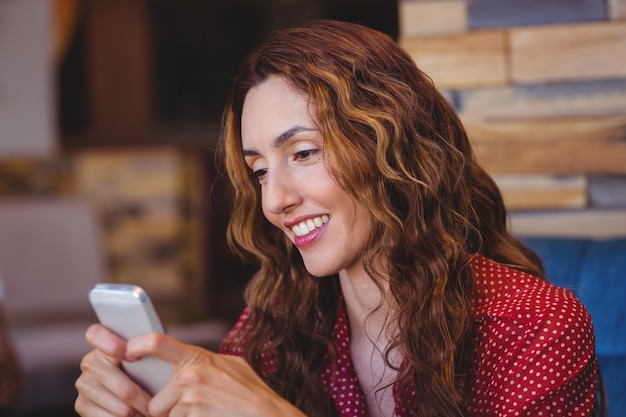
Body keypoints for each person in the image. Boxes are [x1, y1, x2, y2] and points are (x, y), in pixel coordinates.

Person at [74, 20, 603, 417]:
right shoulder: (278, 321)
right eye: (259, 171)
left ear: (392, 147)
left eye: (303, 153)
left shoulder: (534, 327)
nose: (274, 200)